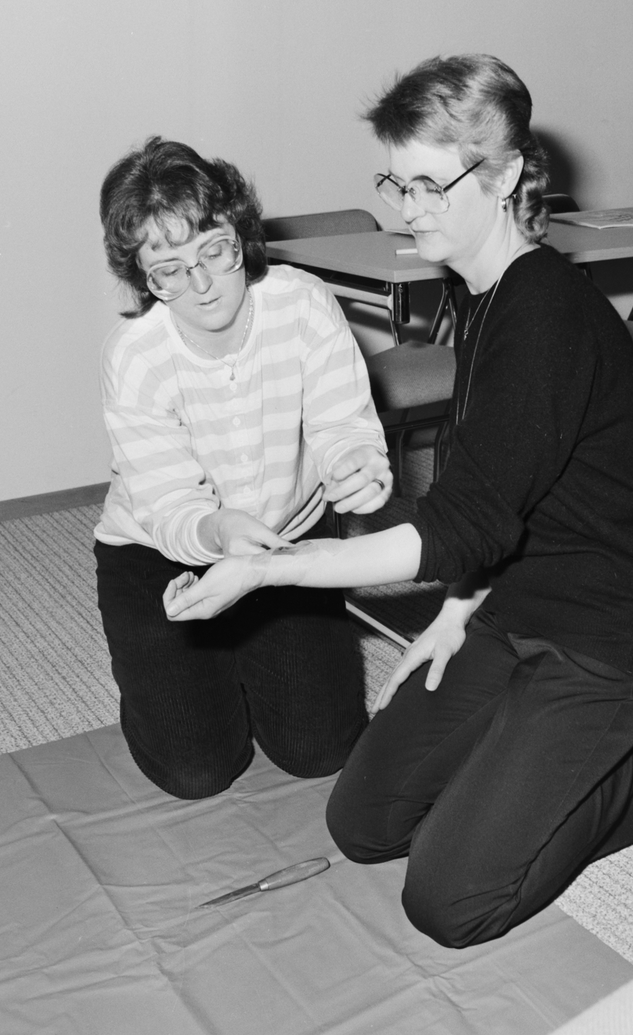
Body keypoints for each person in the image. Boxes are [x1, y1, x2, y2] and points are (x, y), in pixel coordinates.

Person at [161, 56, 633, 947]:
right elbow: (494, 489)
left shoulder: (544, 312)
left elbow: (457, 524)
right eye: (396, 182)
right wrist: (460, 609)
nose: (408, 208)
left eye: (432, 185)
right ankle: (532, 739)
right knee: (362, 825)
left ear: (504, 177)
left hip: (612, 631)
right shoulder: (479, 291)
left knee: (448, 902)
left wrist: (272, 569)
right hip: (519, 599)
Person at [93, 137, 392, 800]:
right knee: (197, 771)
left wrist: (356, 463)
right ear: (143, 277)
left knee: (320, 752)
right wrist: (221, 531)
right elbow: (170, 503)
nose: (200, 285)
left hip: (285, 544)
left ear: (240, 234)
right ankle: (163, 674)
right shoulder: (136, 355)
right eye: (169, 269)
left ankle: (243, 659)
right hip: (162, 555)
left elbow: (343, 425)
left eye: (214, 252)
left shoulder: (303, 303)